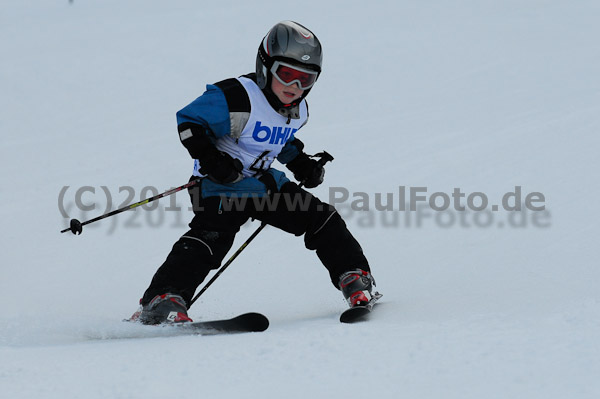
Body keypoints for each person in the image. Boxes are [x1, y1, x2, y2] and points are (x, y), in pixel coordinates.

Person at [132, 21, 379, 324]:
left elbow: (280, 138)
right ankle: (163, 299)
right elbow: (188, 122)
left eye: (306, 79)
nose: (295, 87)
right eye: (287, 74)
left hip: (264, 185)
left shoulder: (298, 109)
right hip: (219, 185)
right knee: (212, 238)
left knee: (321, 218)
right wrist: (212, 159)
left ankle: (354, 278)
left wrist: (301, 163)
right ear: (265, 66)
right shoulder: (237, 96)